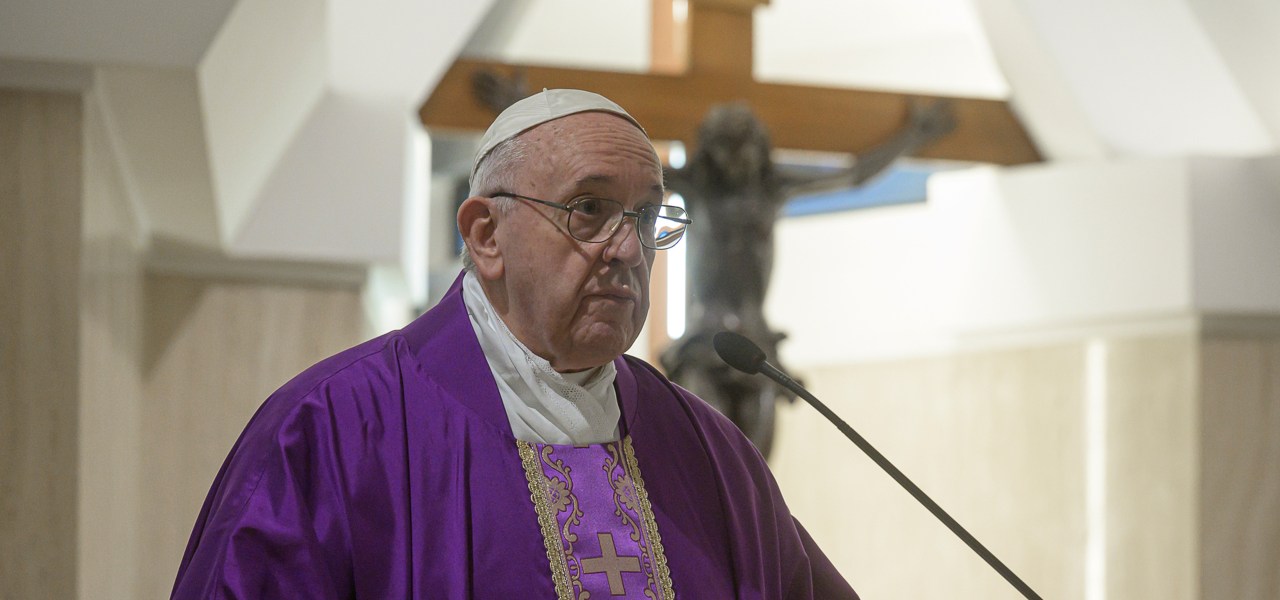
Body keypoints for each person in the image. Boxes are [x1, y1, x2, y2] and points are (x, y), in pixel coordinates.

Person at [170, 89, 857, 599]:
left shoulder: (711, 458)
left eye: (648, 218)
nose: (626, 248)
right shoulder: (332, 432)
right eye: (588, 209)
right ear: (485, 236)